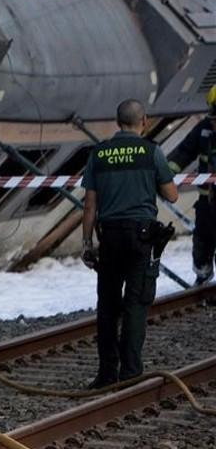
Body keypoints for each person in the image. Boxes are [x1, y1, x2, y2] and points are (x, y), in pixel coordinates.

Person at [81, 99, 179, 388]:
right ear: (144, 121)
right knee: (136, 304)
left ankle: (106, 374)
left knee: (108, 306)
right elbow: (172, 195)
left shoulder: (99, 154)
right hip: (141, 237)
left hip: (109, 238)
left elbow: (89, 206)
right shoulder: (152, 152)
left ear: (117, 122)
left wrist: (87, 243)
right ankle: (131, 373)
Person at [167, 86, 215, 286]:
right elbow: (184, 152)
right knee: (202, 241)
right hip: (208, 201)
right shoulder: (203, 129)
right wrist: (165, 175)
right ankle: (203, 277)